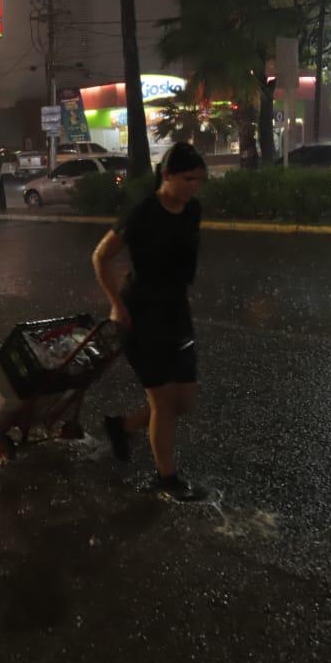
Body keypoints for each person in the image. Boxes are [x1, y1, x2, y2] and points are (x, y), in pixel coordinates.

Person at [92, 142, 207, 499]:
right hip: (140, 316)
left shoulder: (193, 210)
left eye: (199, 180)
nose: (194, 187)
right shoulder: (142, 213)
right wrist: (116, 304)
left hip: (176, 312)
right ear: (167, 175)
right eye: (188, 179)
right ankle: (166, 478)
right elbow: (101, 257)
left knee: (184, 400)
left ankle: (123, 428)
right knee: (163, 403)